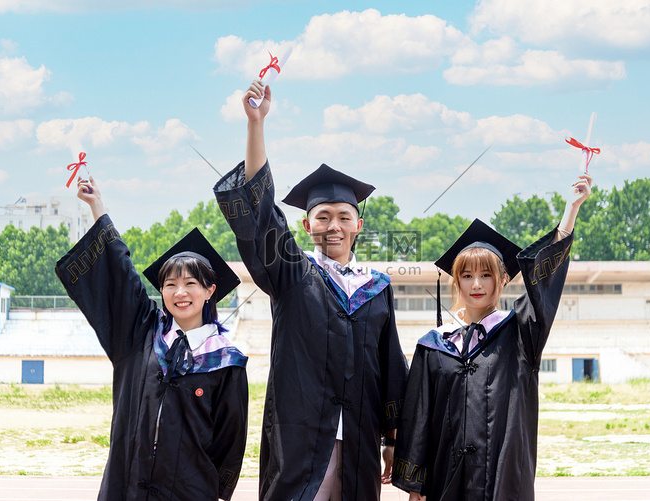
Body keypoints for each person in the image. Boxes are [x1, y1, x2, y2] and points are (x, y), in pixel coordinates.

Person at [213, 80, 409, 500]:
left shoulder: (376, 289)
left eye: (343, 216)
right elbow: (262, 213)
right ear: (307, 225)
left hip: (359, 437)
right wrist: (256, 124)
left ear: (359, 225)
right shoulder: (293, 274)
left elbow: (390, 366)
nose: (333, 226)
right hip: (300, 440)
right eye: (322, 217)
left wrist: (393, 440)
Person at [392, 175, 593, 501]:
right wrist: (415, 488)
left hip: (504, 481)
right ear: (456, 282)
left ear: (503, 279)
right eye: (467, 275)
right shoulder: (434, 345)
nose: (476, 284)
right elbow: (419, 418)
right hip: (446, 480)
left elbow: (544, 284)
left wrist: (570, 212)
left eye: (486, 274)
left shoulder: (520, 333)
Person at [55, 176, 249, 501]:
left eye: (191, 283)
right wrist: (97, 207)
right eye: (170, 284)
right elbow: (122, 274)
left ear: (209, 291)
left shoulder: (226, 361)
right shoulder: (142, 335)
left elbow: (230, 442)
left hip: (189, 491)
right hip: (129, 484)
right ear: (162, 291)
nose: (180, 292)